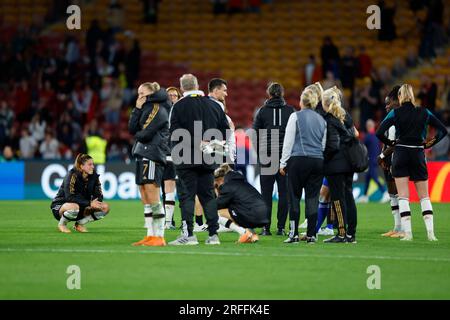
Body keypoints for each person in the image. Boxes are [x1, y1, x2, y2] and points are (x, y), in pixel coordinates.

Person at [376, 84, 448, 241]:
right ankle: (431, 234)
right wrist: (428, 144)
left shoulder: (395, 113)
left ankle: (407, 234)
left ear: (400, 97)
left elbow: (379, 132)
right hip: (417, 154)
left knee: (403, 197)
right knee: (424, 197)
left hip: (401, 154)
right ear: (413, 96)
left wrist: (392, 143)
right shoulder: (424, 112)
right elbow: (443, 130)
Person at [169, 74, 229, 245]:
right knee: (208, 196)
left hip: (185, 157)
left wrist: (197, 143)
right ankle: (213, 235)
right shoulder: (214, 105)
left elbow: (174, 132)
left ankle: (188, 236)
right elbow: (226, 131)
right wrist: (212, 144)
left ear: (182, 88)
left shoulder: (178, 106)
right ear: (197, 85)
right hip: (209, 158)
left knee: (187, 196)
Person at [279, 87, 327, 244]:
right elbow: (323, 144)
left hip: (298, 160)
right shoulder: (322, 120)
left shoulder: (295, 116)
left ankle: (293, 235)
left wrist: (283, 162)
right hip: (318, 161)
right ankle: (311, 235)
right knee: (312, 198)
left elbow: (288, 142)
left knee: (294, 197)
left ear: (302, 101)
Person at [129, 82, 170, 247]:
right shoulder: (144, 107)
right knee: (145, 194)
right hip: (142, 152)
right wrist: (137, 109)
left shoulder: (157, 108)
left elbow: (144, 134)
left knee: (152, 194)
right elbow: (132, 128)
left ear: (151, 93)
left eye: (142, 92)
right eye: (138, 92)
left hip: (152, 153)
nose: (139, 95)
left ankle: (159, 236)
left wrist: (138, 134)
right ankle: (150, 235)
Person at [253, 82, 294, 236]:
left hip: (267, 157)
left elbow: (255, 135)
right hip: (285, 157)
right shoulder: (290, 111)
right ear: (282, 94)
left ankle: (265, 228)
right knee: (284, 194)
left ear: (269, 94)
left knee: (266, 194)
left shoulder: (262, 111)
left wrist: (260, 154)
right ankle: (281, 228)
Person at [322, 87, 357, 243]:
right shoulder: (346, 116)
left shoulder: (329, 119)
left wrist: (324, 158)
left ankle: (341, 234)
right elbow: (355, 134)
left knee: (337, 199)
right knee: (349, 197)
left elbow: (333, 145)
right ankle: (351, 234)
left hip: (335, 164)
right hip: (349, 163)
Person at [50, 154, 110, 233]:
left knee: (105, 207)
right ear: (81, 166)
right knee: (74, 207)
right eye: (89, 164)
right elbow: (69, 197)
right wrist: (89, 203)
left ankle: (79, 224)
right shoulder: (72, 175)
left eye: (93, 164)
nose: (92, 167)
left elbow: (99, 195)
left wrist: (92, 205)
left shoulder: (94, 176)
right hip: (61, 206)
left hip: (82, 206)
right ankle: (62, 224)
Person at [214, 164, 266, 243]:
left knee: (217, 213)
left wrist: (216, 189)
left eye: (216, 181)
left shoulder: (228, 185)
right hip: (262, 214)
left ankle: (244, 233)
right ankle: (253, 235)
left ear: (220, 179)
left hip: (251, 214)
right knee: (236, 210)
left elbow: (216, 205)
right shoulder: (240, 180)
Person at [377, 85, 403, 238]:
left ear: (396, 101)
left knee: (399, 194)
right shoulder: (389, 118)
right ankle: (396, 227)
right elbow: (386, 141)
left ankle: (403, 229)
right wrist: (383, 155)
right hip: (388, 161)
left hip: (396, 160)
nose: (386, 106)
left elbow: (396, 143)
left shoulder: (398, 118)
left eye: (388, 103)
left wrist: (382, 156)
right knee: (392, 193)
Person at [163, 86, 182, 230]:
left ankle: (186, 220)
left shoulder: (181, 112)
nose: (171, 97)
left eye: (174, 95)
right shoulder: (162, 113)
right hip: (166, 153)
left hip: (181, 154)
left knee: (182, 188)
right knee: (167, 188)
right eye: (169, 95)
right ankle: (168, 221)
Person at [358, 119, 389, 203]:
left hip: (371, 160)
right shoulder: (376, 136)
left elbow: (361, 147)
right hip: (376, 159)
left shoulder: (367, 137)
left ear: (367, 127)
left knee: (374, 177)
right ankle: (365, 196)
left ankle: (385, 193)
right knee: (368, 178)